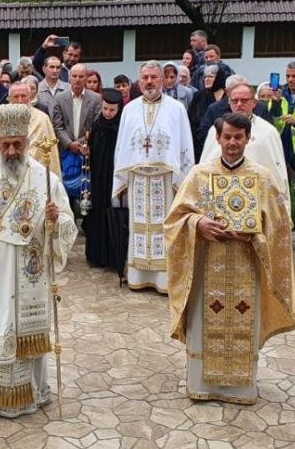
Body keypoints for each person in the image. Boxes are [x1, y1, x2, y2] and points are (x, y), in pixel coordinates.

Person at [0, 104, 77, 417]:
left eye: (17, 144)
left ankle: (34, 391)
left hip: (30, 270)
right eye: (5, 144)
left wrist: (54, 220)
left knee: (26, 331)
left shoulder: (45, 179)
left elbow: (66, 224)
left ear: (27, 143)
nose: (11, 151)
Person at [164, 113, 295, 404]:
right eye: (228, 137)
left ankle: (241, 388)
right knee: (204, 318)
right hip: (206, 264)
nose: (233, 143)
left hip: (246, 265)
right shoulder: (200, 174)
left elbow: (280, 226)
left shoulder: (262, 178)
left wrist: (256, 235)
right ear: (218, 139)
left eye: (239, 137)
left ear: (248, 139)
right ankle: (201, 384)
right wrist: (197, 224)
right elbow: (175, 219)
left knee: (242, 318)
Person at [112, 61, 194, 293]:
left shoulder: (176, 108)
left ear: (162, 79)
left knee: (163, 227)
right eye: (145, 77)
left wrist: (184, 181)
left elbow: (184, 144)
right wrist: (122, 180)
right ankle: (137, 276)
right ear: (139, 80)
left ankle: (162, 280)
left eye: (154, 77)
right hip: (138, 178)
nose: (149, 82)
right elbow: (122, 147)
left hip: (165, 180)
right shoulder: (129, 109)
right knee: (138, 226)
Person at [197, 82, 287, 194]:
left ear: (254, 103)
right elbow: (207, 164)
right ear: (229, 103)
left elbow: (275, 171)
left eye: (244, 101)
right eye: (235, 101)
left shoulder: (268, 131)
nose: (239, 104)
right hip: (221, 191)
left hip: (257, 193)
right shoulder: (216, 129)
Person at [84, 89, 124, 271]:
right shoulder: (97, 125)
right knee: (97, 211)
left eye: (111, 110)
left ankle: (112, 256)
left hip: (114, 177)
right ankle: (97, 255)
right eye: (105, 109)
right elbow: (91, 147)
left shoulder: (122, 128)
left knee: (112, 211)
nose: (107, 113)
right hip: (98, 177)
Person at [0, 81, 60, 176]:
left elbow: (51, 154)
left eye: (23, 96)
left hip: (35, 174)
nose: (20, 100)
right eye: (16, 97)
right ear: (9, 98)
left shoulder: (42, 119)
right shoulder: (1, 119)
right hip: (5, 172)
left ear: (30, 97)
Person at [52, 63, 102, 202]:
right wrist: (69, 144)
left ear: (86, 78)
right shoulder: (59, 98)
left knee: (85, 190)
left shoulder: (96, 99)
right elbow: (57, 126)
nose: (77, 79)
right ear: (69, 78)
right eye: (74, 76)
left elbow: (96, 125)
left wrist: (79, 143)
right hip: (65, 151)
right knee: (65, 193)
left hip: (85, 152)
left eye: (81, 76)